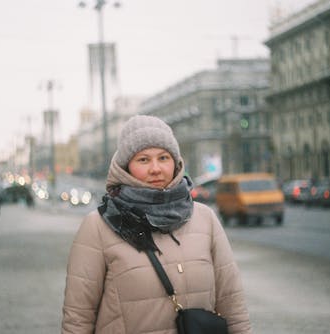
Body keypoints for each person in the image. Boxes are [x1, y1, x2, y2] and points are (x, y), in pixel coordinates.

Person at [62, 115, 251, 333]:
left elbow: (232, 301)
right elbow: (78, 317)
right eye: (143, 160)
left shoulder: (204, 219)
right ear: (126, 167)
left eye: (163, 158)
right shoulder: (99, 225)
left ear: (176, 162)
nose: (155, 168)